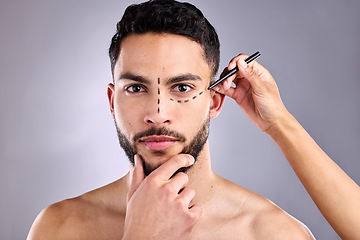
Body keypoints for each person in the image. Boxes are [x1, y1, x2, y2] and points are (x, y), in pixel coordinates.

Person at [27, 0, 320, 239]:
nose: (157, 114)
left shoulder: (273, 233)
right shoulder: (60, 228)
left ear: (215, 101)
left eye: (181, 88)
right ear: (112, 101)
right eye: (136, 88)